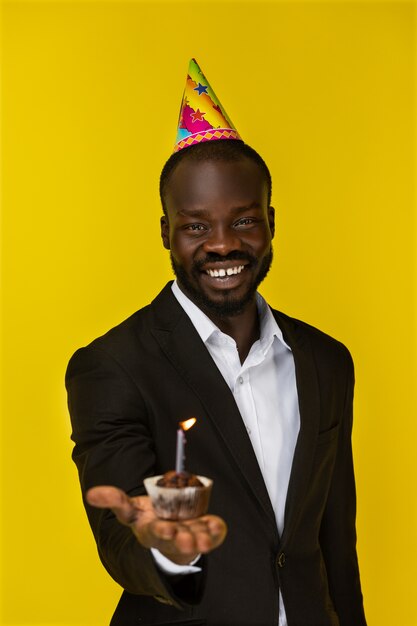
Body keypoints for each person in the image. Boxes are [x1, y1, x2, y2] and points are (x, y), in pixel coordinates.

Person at [66, 59, 367, 626]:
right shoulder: (112, 367)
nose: (223, 245)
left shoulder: (327, 361)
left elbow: (335, 543)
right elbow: (120, 538)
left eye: (244, 221)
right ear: (166, 233)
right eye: (197, 225)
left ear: (271, 222)